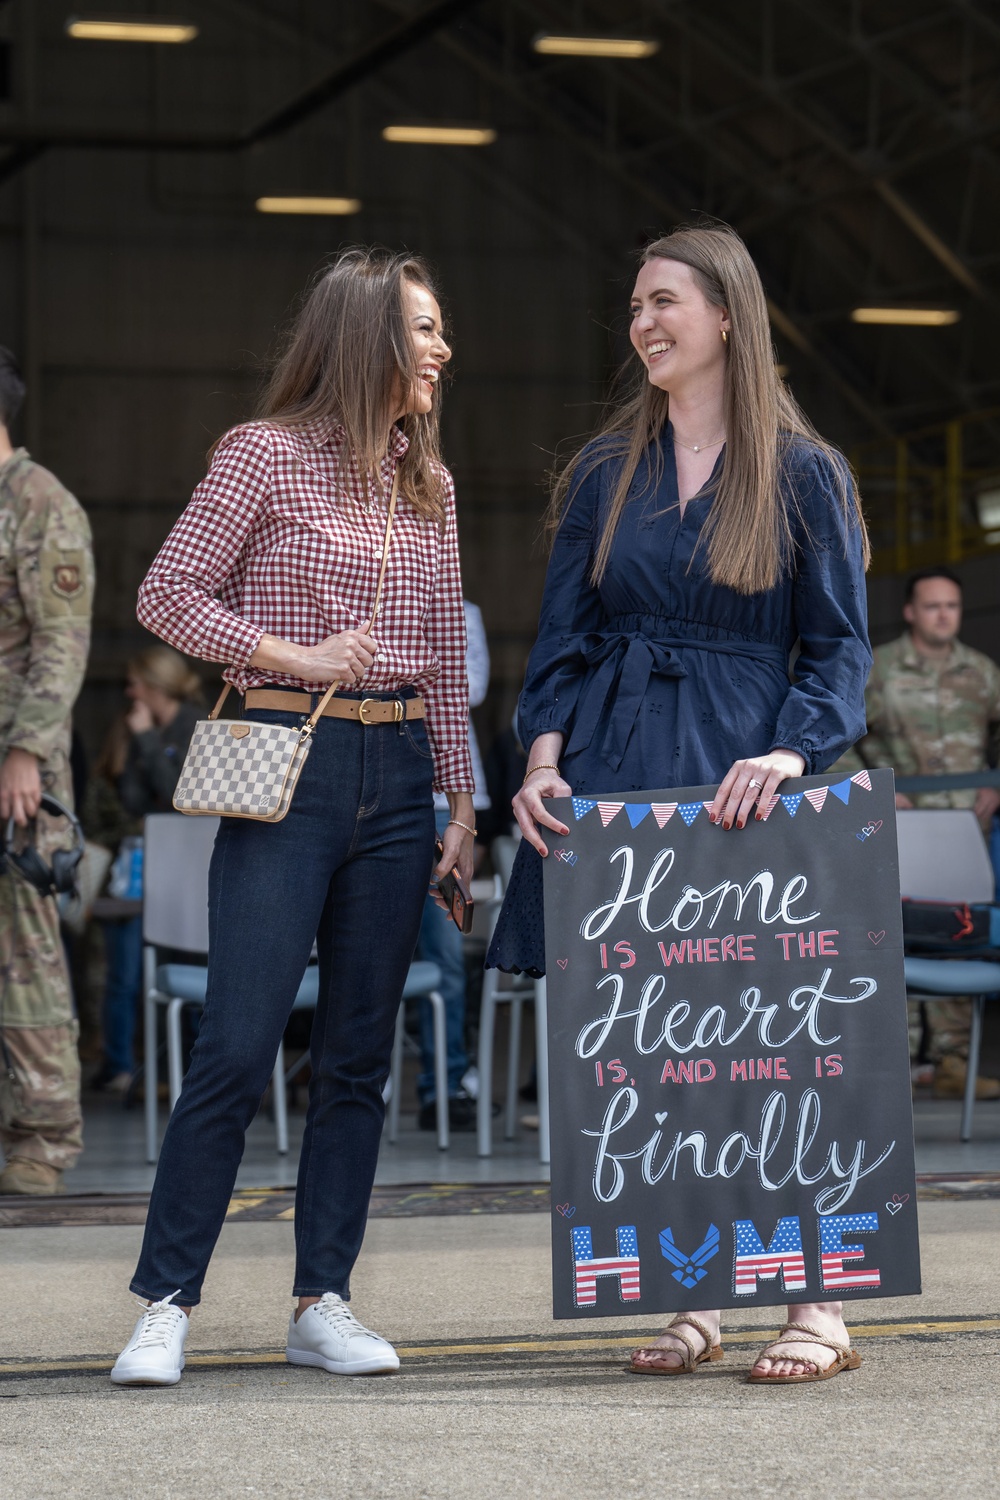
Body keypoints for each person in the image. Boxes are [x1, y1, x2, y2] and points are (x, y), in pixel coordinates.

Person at [487, 224, 872, 1384]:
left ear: (725, 317)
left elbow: (838, 648)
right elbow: (560, 640)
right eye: (636, 307)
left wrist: (797, 755)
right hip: (613, 766)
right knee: (653, 1056)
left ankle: (816, 1306)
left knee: (768, 1047)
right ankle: (696, 1291)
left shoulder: (804, 472)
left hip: (743, 780)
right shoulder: (605, 473)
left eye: (664, 302)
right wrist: (543, 763)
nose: (642, 323)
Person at [110, 249, 474, 1387]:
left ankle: (324, 1299)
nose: (441, 349)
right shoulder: (262, 456)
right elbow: (165, 593)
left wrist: (462, 799)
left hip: (401, 766)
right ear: (365, 336)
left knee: (361, 1054)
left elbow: (449, 670)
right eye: (422, 329)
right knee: (238, 1039)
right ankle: (165, 1300)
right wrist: (294, 653)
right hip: (287, 761)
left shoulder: (433, 485)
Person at [836, 566, 1000, 1100]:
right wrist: (874, 787)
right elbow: (838, 735)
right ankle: (897, 1063)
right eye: (932, 606)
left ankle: (954, 1063)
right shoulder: (877, 670)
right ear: (910, 611)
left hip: (964, 830)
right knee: (892, 934)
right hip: (898, 830)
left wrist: (995, 787)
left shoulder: (981, 672)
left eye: (952, 605)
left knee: (963, 935)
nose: (944, 615)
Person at [0, 345, 95, 1196]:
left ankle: (44, 1131)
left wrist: (27, 750)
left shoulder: (39, 505)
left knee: (24, 946)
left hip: (15, 769)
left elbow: (60, 642)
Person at [85, 646, 202, 1093]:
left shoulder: (195, 722)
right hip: (145, 866)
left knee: (193, 964)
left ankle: (193, 1072)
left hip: (190, 869)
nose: (129, 692)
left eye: (134, 683)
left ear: (153, 686)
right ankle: (125, 1066)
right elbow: (136, 803)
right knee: (128, 969)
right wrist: (143, 740)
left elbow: (179, 795)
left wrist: (150, 744)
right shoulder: (139, 727)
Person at [415, 598, 490, 1130]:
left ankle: (443, 1083)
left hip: (448, 796)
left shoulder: (461, 612)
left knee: (444, 944)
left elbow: (472, 688)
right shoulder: (347, 585)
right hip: (371, 782)